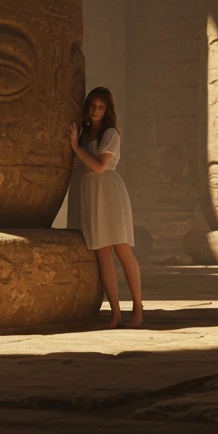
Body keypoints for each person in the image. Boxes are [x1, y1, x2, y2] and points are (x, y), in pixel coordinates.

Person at [68, 87, 143, 328]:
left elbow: (100, 167)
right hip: (90, 192)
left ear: (107, 110)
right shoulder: (85, 134)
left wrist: (76, 148)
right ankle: (116, 313)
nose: (95, 111)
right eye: (92, 106)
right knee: (102, 254)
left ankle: (138, 308)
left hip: (109, 191)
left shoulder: (111, 133)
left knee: (122, 250)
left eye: (100, 107)